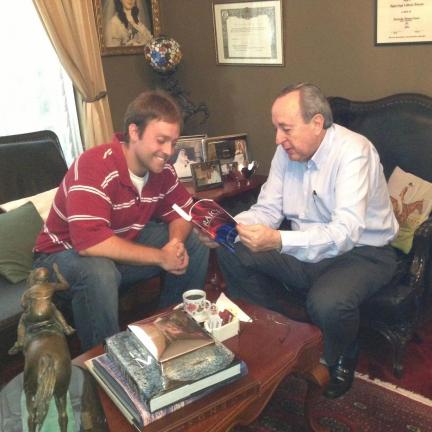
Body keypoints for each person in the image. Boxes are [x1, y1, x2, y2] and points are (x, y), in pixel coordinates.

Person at [199, 83, 399, 399]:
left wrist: (278, 240)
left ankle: (342, 352)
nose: (278, 138)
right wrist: (226, 229)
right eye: (276, 128)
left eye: (285, 128)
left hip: (363, 253)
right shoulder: (286, 152)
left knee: (327, 302)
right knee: (232, 251)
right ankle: (279, 333)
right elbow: (268, 209)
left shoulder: (354, 153)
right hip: (303, 247)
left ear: (317, 122)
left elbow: (344, 233)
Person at [33, 90, 209, 351]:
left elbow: (184, 212)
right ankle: (105, 360)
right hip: (58, 260)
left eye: (173, 142)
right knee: (100, 271)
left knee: (193, 242)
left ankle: (172, 331)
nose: (169, 151)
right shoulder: (93, 166)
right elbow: (90, 244)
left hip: (116, 248)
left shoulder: (161, 171)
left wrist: (174, 243)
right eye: (161, 140)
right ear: (134, 132)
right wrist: (161, 257)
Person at [8, 263, 74, 355]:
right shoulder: (51, 285)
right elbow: (65, 285)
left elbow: (23, 305)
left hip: (32, 317)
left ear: (35, 278)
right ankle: (66, 327)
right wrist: (57, 272)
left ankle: (20, 343)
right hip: (48, 313)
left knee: (22, 321)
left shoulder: (28, 291)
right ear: (47, 278)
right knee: (53, 307)